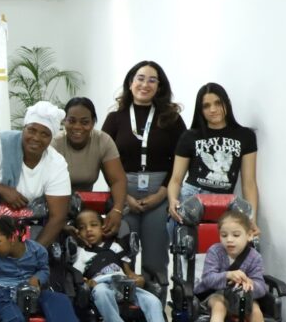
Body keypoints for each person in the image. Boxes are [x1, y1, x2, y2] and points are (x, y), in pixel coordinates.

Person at [101, 61, 186, 279]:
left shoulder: (172, 119)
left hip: (160, 191)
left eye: (152, 80)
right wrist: (123, 196)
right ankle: (123, 299)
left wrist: (162, 193)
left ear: (159, 86)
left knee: (156, 258)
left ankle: (155, 298)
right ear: (130, 83)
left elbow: (182, 160)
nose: (145, 84)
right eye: (140, 78)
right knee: (122, 255)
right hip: (123, 191)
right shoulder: (115, 118)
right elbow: (104, 160)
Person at [72, 209, 179, 322]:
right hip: (101, 284)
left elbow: (127, 271)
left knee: (152, 300)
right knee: (101, 292)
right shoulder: (81, 253)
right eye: (82, 228)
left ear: (103, 227)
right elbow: (78, 277)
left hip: (123, 283)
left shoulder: (115, 247)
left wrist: (137, 278)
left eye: (93, 225)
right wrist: (88, 282)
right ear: (78, 234)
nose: (88, 230)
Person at [0, 101, 71, 247]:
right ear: (23, 128)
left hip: (34, 229)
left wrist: (33, 253)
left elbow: (58, 217)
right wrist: (2, 190)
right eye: (31, 130)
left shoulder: (56, 164)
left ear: (51, 137)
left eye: (45, 134)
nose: (36, 138)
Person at [167, 83, 259, 234]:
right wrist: (172, 201)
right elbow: (176, 179)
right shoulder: (189, 136)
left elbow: (249, 183)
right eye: (206, 106)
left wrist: (251, 218)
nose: (213, 109)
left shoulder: (245, 136)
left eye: (218, 103)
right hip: (192, 198)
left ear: (227, 103)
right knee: (188, 244)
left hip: (224, 202)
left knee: (225, 244)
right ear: (200, 110)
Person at [194, 209, 268, 322]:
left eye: (236, 235)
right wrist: (227, 275)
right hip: (215, 294)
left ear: (249, 235)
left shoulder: (254, 257)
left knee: (256, 312)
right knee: (219, 305)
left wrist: (251, 284)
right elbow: (208, 279)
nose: (229, 240)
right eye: (224, 235)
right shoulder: (215, 252)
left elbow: (262, 286)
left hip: (241, 298)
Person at [51, 97, 128, 236]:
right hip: (55, 207)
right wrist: (60, 222)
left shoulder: (103, 141)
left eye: (85, 122)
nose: (77, 127)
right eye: (71, 121)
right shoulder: (55, 144)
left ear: (93, 123)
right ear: (64, 121)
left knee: (121, 229)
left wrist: (117, 210)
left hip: (86, 209)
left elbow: (117, 180)